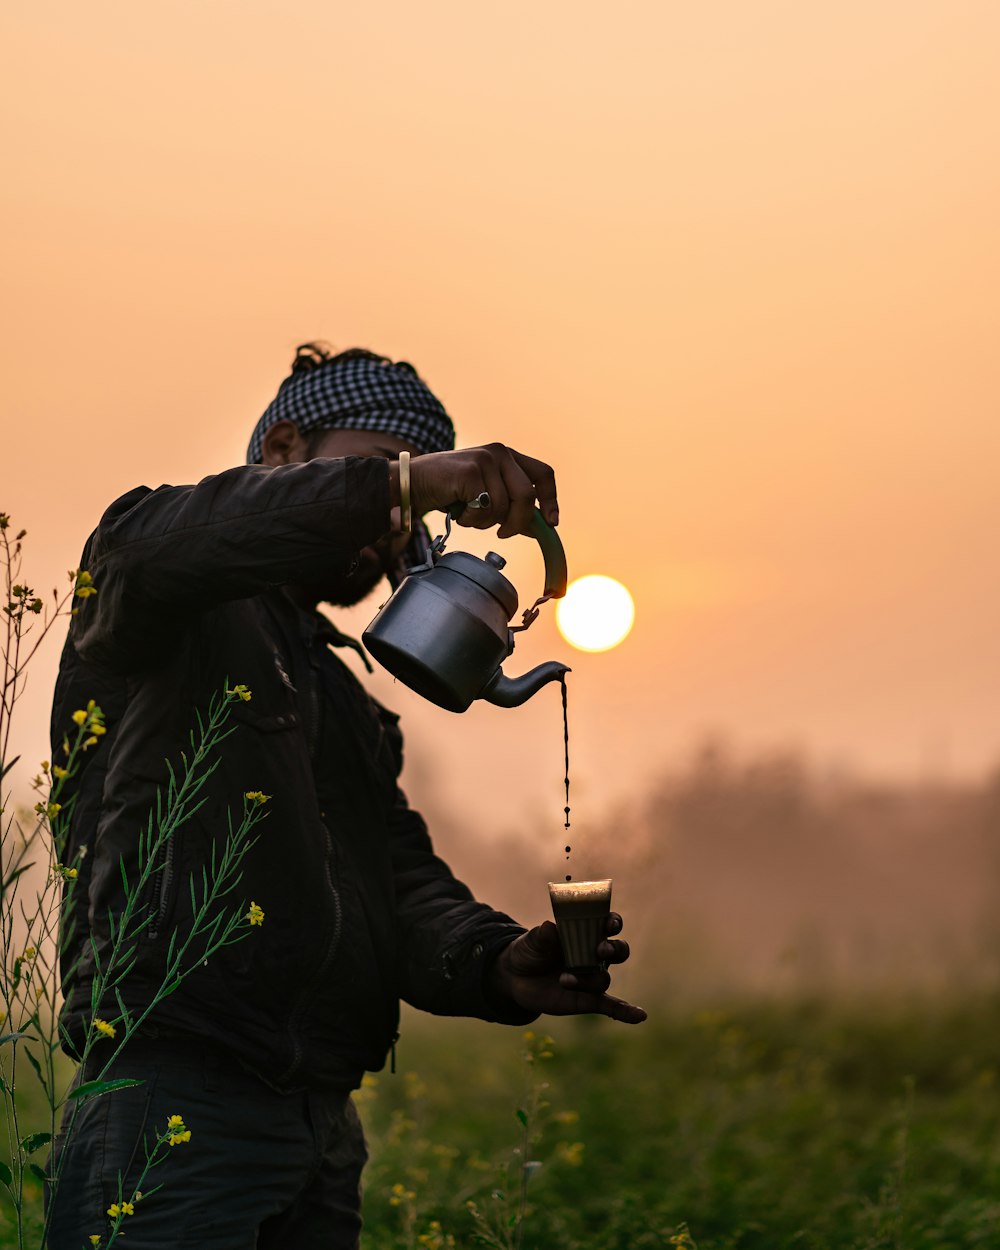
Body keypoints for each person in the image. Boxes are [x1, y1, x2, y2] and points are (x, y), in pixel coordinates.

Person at [46, 344, 645, 1249]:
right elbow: (145, 547)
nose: (397, 533)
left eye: (411, 509)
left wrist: (491, 961)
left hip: (320, 1129)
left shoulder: (344, 699)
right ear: (283, 445)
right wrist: (404, 486)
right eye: (382, 472)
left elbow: (396, 880)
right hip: (172, 1098)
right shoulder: (168, 598)